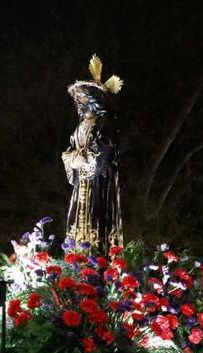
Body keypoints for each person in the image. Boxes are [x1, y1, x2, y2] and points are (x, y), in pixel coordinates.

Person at [62, 55, 124, 253]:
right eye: (77, 99)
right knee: (77, 226)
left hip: (99, 183)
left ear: (93, 99)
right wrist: (72, 158)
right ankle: (77, 257)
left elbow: (105, 151)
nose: (79, 102)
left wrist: (83, 159)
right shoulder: (80, 127)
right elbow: (69, 152)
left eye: (82, 97)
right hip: (81, 184)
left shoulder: (106, 123)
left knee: (97, 221)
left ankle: (99, 258)